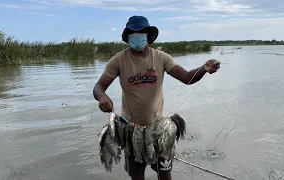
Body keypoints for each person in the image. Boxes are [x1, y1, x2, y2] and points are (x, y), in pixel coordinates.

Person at [93, 15, 220, 180]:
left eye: (141, 32)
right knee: (137, 175)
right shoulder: (119, 59)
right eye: (133, 32)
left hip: (160, 129)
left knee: (165, 173)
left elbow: (187, 77)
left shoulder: (161, 57)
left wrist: (203, 68)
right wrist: (102, 97)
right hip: (131, 130)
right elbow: (99, 86)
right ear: (127, 36)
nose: (137, 35)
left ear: (148, 35)